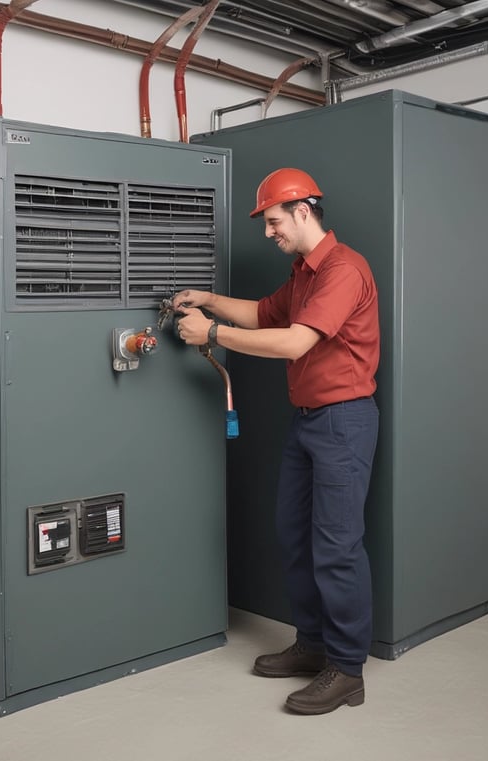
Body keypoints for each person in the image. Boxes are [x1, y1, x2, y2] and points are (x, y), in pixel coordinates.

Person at [172, 167, 380, 715]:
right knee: (296, 538)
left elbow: (291, 344)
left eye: (272, 221)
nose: (268, 232)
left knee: (337, 547)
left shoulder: (343, 270)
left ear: (303, 211)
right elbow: (265, 313)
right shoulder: (306, 272)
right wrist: (210, 300)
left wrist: (211, 334)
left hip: (344, 421)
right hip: (309, 421)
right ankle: (313, 647)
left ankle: (347, 669)